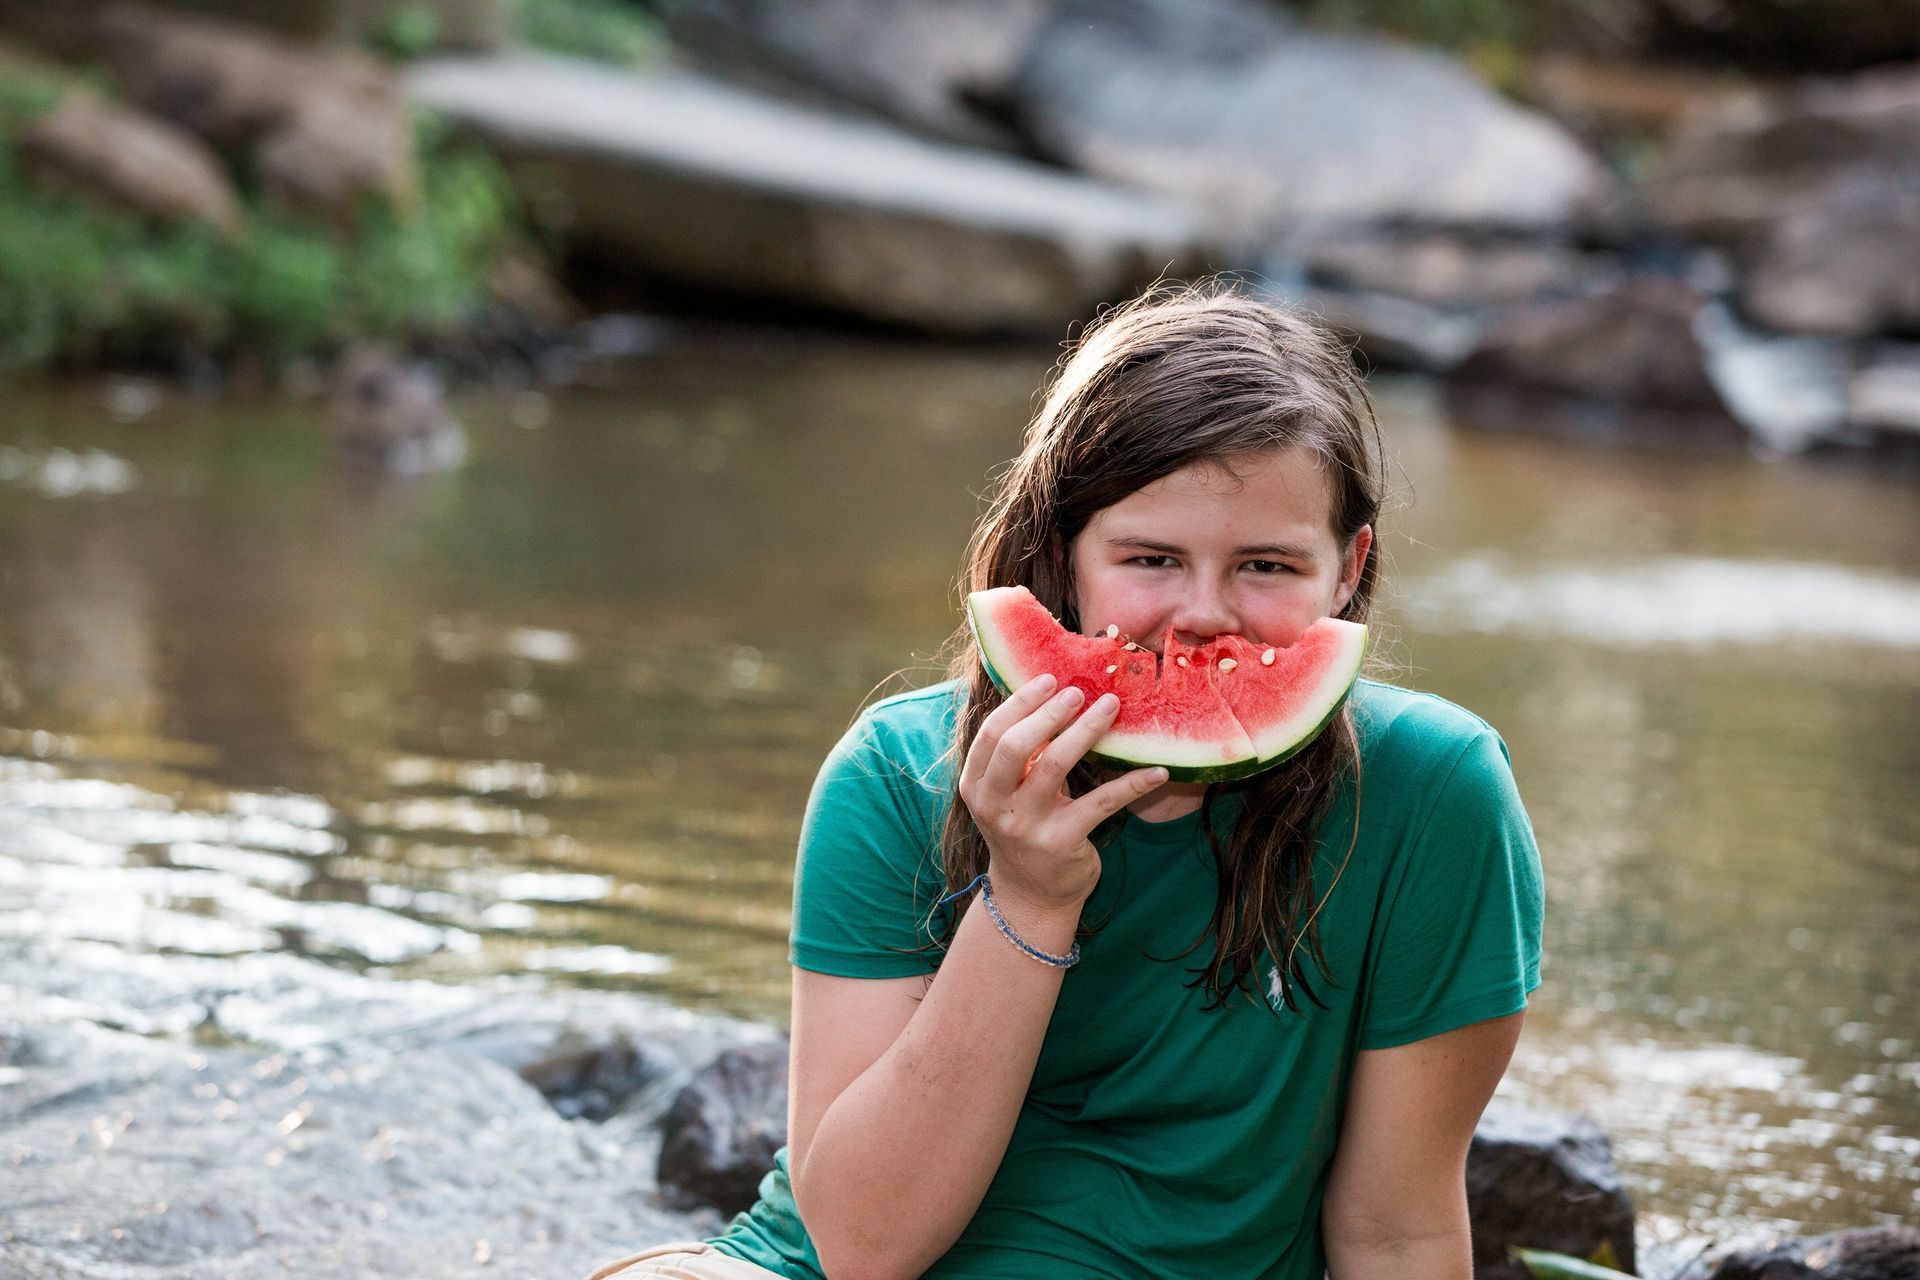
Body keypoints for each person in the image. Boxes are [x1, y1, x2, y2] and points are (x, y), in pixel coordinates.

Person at [586, 281, 1546, 1280]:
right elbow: (860, 1247)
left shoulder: (1435, 791)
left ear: (1349, 568)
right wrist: (1029, 898)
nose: (1202, 614)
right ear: (1062, 553)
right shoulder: (895, 773)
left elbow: (1396, 1229)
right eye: (1151, 557)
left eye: (1266, 565)